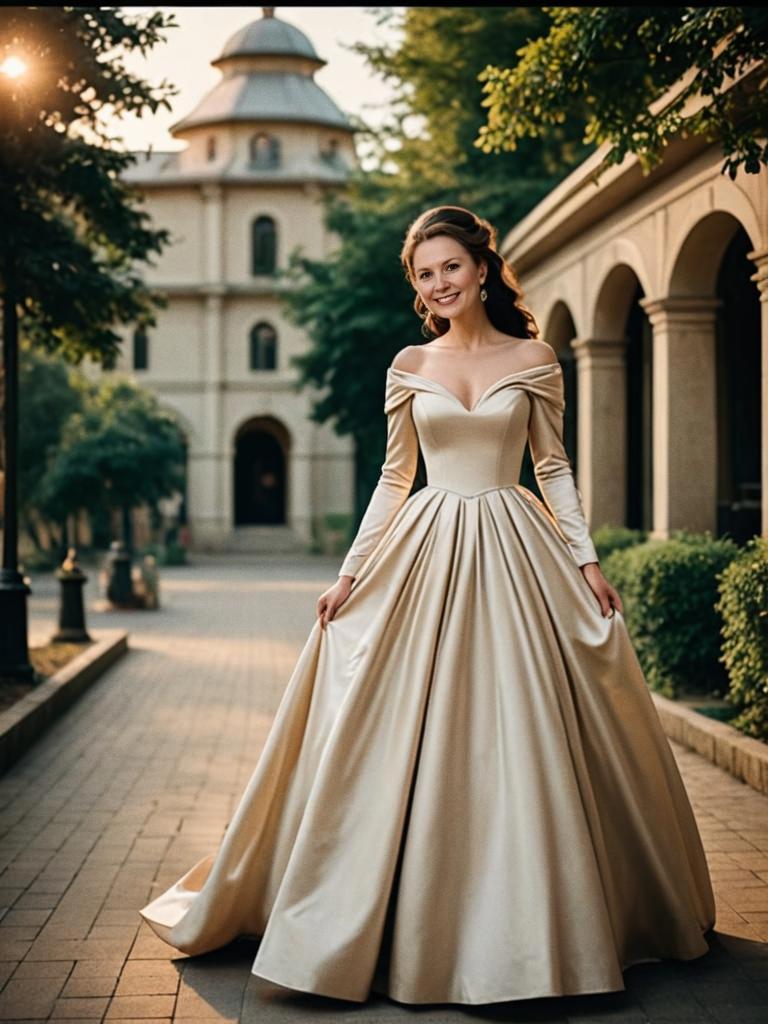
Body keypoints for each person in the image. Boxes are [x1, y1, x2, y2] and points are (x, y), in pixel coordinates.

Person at [139, 205, 716, 1006]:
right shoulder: (410, 363)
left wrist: (585, 560)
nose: (439, 283)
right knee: (391, 717)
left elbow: (551, 469)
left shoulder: (536, 356)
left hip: (519, 550)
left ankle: (548, 926)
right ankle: (381, 913)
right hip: (425, 545)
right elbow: (392, 478)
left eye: (451, 266)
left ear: (482, 267)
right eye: (424, 273)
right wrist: (349, 574)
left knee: (527, 725)